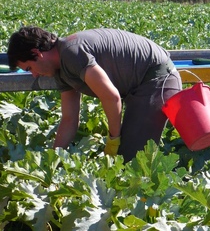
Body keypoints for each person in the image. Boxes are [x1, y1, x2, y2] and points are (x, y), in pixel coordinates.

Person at [7, 26, 182, 162]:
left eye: (29, 68)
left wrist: (114, 139)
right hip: (139, 86)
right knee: (126, 158)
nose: (34, 75)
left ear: (37, 54)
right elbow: (69, 119)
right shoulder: (60, 71)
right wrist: (53, 157)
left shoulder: (71, 53)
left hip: (157, 80)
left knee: (131, 160)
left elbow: (111, 97)